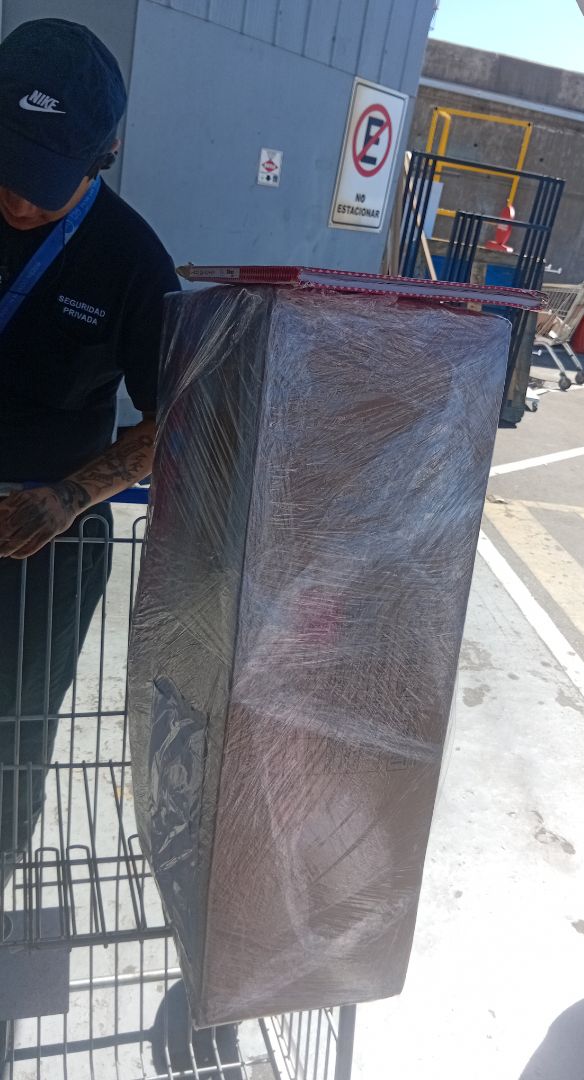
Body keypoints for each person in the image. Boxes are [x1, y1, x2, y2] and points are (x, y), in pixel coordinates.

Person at [0, 17, 179, 906]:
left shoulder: (131, 262)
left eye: (42, 184)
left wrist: (70, 495)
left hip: (46, 545)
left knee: (13, 733)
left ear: (101, 157)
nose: (17, 202)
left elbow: (172, 418)